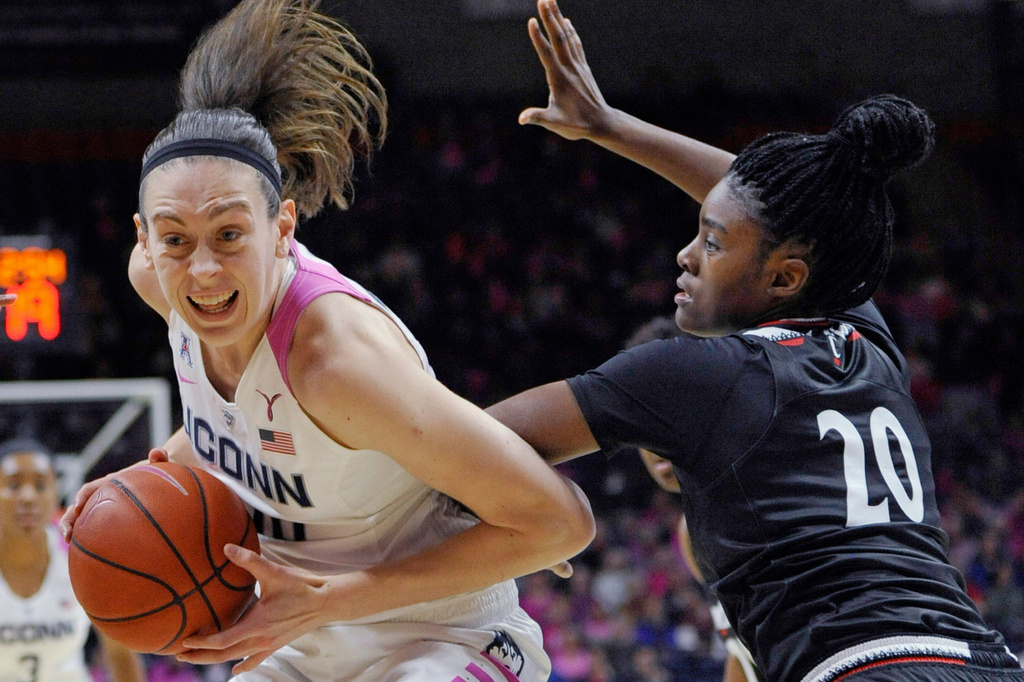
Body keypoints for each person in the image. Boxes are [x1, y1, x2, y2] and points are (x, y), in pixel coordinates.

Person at [487, 1, 1024, 681]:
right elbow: (768, 201)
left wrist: (537, 514)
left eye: (709, 242)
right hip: (982, 659)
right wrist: (607, 125)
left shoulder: (703, 373)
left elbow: (462, 438)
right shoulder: (868, 343)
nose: (684, 256)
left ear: (786, 276)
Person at [58, 0, 594, 680]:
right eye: (174, 240)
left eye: (229, 235)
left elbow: (560, 523)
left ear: (282, 227)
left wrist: (330, 600)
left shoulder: (336, 362)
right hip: (302, 637)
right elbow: (248, 426)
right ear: (144, 240)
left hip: (443, 635)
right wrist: (146, 475)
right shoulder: (163, 288)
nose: (201, 269)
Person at [626, 318, 758, 682]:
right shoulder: (692, 532)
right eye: (642, 419)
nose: (657, 437)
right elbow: (742, 656)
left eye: (672, 410)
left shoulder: (766, 507)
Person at [0, 438, 146, 682]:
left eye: (40, 486)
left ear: (56, 492)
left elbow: (120, 654)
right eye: (13, 486)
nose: (27, 497)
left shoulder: (85, 558)